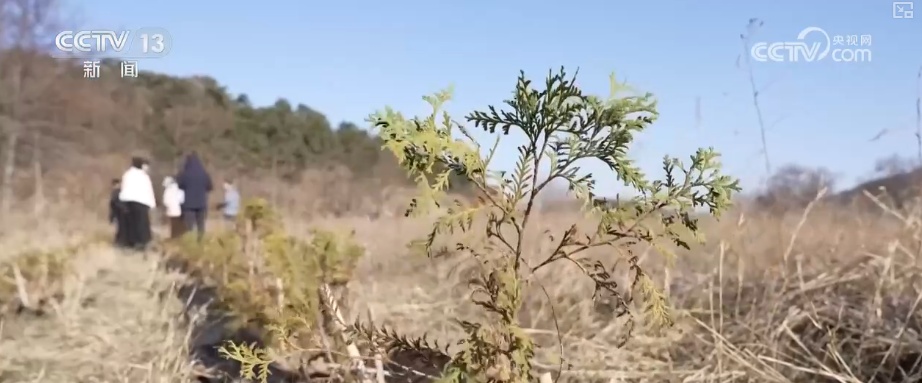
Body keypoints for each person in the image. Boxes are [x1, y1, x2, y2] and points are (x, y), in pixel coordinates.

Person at [118, 157, 156, 250]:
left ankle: (129, 241)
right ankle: (141, 242)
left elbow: (123, 187)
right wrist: (152, 203)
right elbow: (148, 190)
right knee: (141, 223)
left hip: (127, 201)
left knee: (130, 223)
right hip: (141, 201)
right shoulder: (144, 176)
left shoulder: (127, 174)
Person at [176, 152, 213, 240]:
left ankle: (190, 243)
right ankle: (201, 242)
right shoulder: (204, 174)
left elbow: (180, 185)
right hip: (201, 203)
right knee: (201, 225)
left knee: (189, 226)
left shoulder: (185, 174)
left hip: (189, 204)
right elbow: (210, 187)